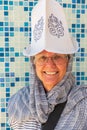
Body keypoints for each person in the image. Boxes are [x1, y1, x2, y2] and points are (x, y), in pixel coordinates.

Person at [7, 0, 87, 130]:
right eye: (42, 57)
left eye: (57, 56)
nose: (50, 65)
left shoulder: (83, 102)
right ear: (33, 63)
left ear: (68, 60)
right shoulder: (17, 103)